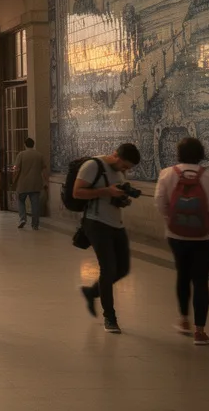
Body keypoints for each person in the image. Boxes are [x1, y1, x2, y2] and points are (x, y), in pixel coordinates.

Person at [155, 137, 209, 347]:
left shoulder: (167, 174)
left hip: (176, 235)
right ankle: (200, 332)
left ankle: (184, 320)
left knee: (182, 275)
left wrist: (170, 220)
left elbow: (160, 202)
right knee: (201, 280)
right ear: (201, 154)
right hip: (205, 237)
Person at [73, 143, 142, 334]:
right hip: (96, 223)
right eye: (125, 166)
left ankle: (92, 292)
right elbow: (77, 192)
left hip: (116, 224)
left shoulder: (119, 173)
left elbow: (112, 195)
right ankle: (109, 317)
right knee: (108, 268)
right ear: (117, 157)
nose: (125, 171)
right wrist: (107, 192)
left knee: (123, 268)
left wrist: (122, 199)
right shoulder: (92, 166)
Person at [12, 137, 48, 230]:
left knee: (21, 201)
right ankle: (35, 224)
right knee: (35, 204)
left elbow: (16, 168)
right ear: (33, 144)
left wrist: (14, 179)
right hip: (36, 183)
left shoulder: (21, 154)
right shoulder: (39, 155)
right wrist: (46, 182)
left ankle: (22, 219)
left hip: (22, 183)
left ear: (25, 144)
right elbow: (44, 170)